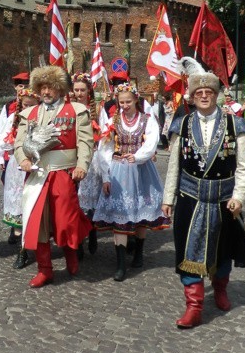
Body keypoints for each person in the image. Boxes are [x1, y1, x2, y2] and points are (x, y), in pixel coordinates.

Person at [162, 72, 245, 328]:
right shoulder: (181, 124)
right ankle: (194, 306)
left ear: (217, 95)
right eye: (198, 93)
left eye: (209, 92)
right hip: (190, 197)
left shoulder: (235, 125)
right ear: (191, 97)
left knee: (222, 248)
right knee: (187, 250)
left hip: (224, 199)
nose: (204, 96)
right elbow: (174, 166)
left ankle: (220, 288)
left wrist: (239, 196)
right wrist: (168, 198)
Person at [14, 66, 94, 288]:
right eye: (42, 87)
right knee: (38, 222)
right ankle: (45, 269)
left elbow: (86, 143)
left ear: (60, 89)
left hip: (64, 174)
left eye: (51, 87)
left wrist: (81, 166)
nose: (46, 92)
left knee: (66, 220)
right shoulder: (29, 114)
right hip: (37, 175)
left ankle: (71, 254)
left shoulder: (76, 111)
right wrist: (23, 160)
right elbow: (19, 143)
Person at [93, 83, 170, 282]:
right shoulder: (113, 120)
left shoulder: (147, 120)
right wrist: (106, 176)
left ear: (136, 100)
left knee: (139, 210)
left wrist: (137, 156)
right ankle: (120, 264)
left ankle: (138, 253)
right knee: (120, 214)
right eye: (121, 102)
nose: (125, 105)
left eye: (128, 101)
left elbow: (151, 142)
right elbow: (105, 148)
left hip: (141, 169)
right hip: (119, 170)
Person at [0, 88, 39, 269]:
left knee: (34, 204)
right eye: (25, 105)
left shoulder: (42, 119)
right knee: (19, 207)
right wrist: (14, 142)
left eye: (31, 105)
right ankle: (22, 251)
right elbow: (1, 142)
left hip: (37, 165)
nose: (27, 108)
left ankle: (37, 243)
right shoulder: (13, 119)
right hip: (17, 166)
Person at [71, 72, 103, 255]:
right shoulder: (69, 108)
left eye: (82, 90)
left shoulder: (97, 110)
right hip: (73, 157)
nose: (79, 93)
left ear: (88, 91)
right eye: (76, 89)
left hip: (92, 158)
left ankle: (91, 232)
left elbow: (106, 134)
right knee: (75, 200)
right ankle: (79, 240)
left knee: (90, 199)